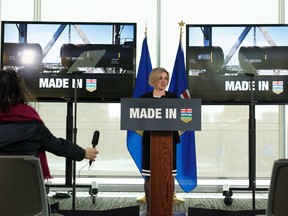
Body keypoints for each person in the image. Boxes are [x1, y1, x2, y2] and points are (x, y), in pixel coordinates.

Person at [0, 69, 99, 180]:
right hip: (27, 191)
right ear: (20, 91)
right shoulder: (33, 125)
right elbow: (58, 146)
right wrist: (82, 153)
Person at [138, 67, 184, 214]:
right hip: (150, 143)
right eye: (160, 78)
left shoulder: (173, 98)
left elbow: (181, 119)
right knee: (149, 175)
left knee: (169, 175)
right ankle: (151, 208)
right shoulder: (145, 99)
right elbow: (139, 120)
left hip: (169, 142)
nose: (163, 81)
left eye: (166, 78)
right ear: (153, 79)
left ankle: (168, 206)